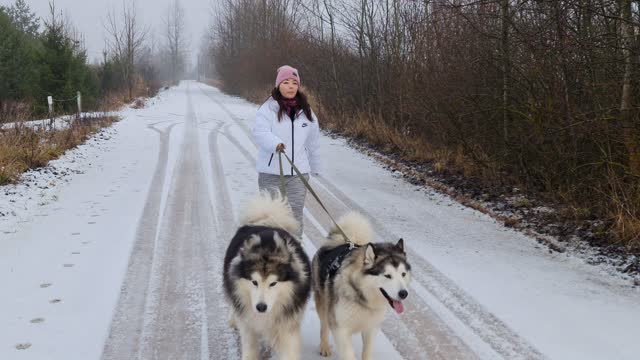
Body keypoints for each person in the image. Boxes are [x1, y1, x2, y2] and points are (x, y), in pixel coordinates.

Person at [253, 65, 321, 237]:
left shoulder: (307, 112)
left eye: (294, 83)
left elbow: (313, 142)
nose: (290, 86)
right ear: (278, 85)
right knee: (271, 215)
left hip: (298, 173)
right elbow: (260, 132)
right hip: (271, 172)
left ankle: (294, 248)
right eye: (286, 82)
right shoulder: (268, 109)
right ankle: (270, 249)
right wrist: (275, 143)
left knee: (295, 214)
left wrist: (315, 166)